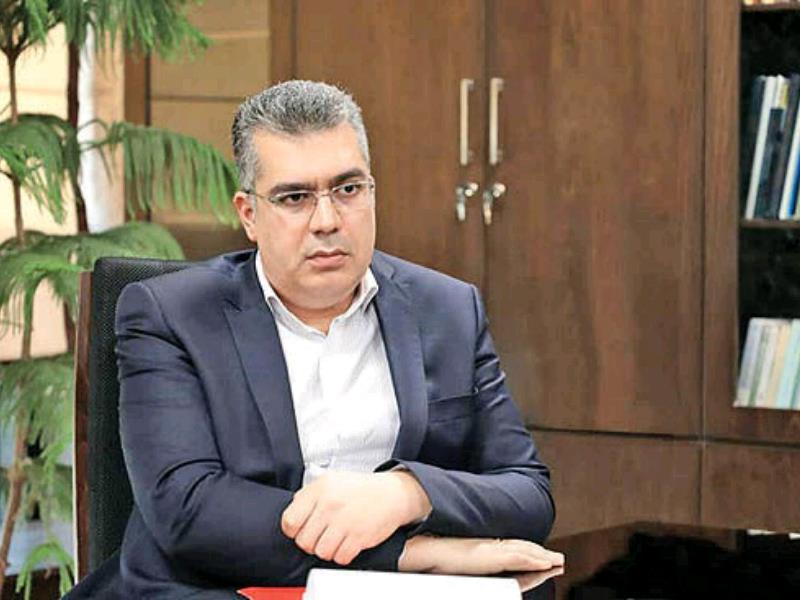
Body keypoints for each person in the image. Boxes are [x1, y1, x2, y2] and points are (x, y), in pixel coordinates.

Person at [67, 80, 562, 598]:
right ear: (249, 214)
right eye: (295, 198)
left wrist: (406, 493)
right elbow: (188, 511)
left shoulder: (447, 309)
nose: (327, 221)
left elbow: (527, 493)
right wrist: (412, 554)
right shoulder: (171, 315)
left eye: (348, 190)